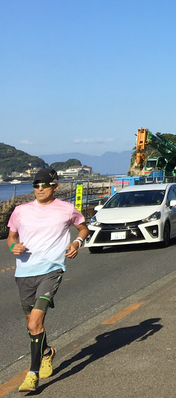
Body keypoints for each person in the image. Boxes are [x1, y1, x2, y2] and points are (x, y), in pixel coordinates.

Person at [5, 168, 88, 393]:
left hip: (51, 271)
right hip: (24, 273)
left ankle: (32, 374)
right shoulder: (20, 211)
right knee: (32, 324)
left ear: (55, 186)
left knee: (35, 323)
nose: (39, 188)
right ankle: (46, 352)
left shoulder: (67, 209)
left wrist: (76, 244)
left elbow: (83, 228)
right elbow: (11, 236)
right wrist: (14, 246)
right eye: (36, 184)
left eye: (44, 184)